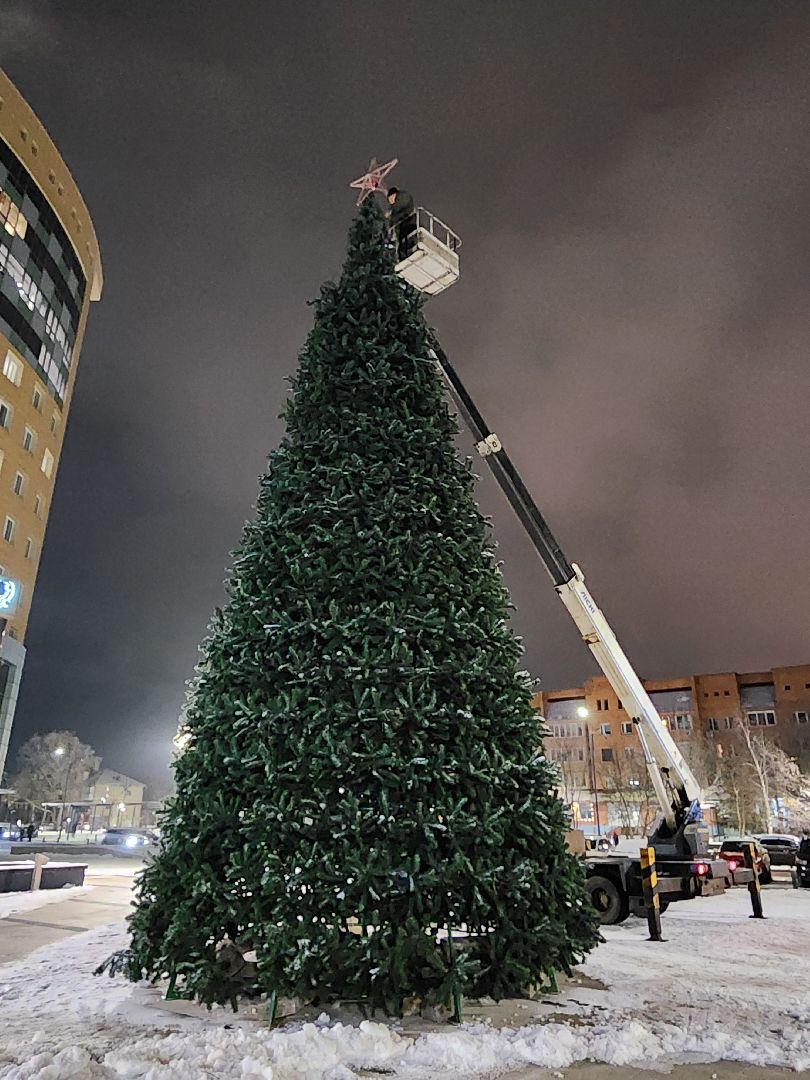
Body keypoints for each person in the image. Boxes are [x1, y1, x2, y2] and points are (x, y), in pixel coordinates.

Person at [385, 187, 415, 260]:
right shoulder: (396, 206)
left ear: (393, 195)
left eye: (390, 199)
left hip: (409, 223)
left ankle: (405, 254)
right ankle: (402, 256)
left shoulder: (402, 197)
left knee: (406, 241)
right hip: (402, 225)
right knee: (402, 243)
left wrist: (391, 213)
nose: (390, 202)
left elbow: (399, 210)